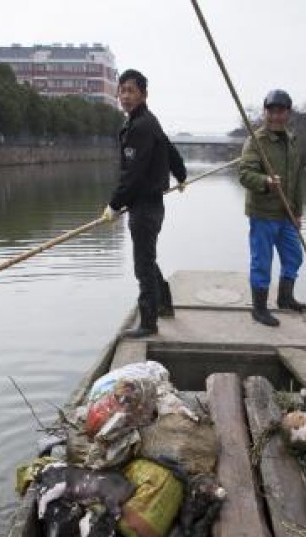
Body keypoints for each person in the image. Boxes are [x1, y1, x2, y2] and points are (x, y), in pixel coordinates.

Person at [107, 69, 187, 338]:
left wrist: (114, 204)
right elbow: (169, 148)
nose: (125, 96)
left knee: (143, 264)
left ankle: (149, 323)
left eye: (131, 90)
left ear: (143, 94)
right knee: (147, 257)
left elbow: (134, 174)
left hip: (145, 207)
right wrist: (181, 173)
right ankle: (164, 303)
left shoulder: (141, 126)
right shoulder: (147, 121)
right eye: (122, 90)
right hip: (149, 205)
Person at [238, 88, 306, 327]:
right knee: (262, 262)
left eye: (281, 111)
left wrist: (298, 213)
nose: (276, 116)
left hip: (286, 214)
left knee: (294, 257)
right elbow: (245, 175)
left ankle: (285, 298)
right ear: (265, 112)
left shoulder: (293, 143)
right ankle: (259, 309)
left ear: (287, 113)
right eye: (271, 111)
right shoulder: (255, 141)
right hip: (263, 214)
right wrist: (266, 182)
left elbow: (297, 180)